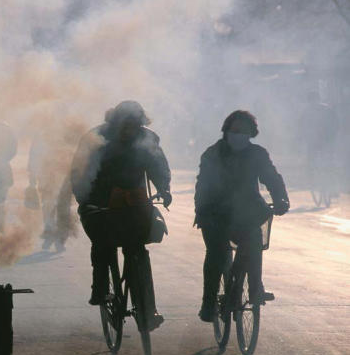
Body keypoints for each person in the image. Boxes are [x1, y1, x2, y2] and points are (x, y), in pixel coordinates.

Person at [71, 100, 171, 331]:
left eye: (135, 125)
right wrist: (84, 198)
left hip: (134, 203)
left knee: (139, 252)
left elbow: (158, 166)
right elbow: (79, 171)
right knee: (102, 242)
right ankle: (100, 290)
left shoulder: (148, 139)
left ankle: (148, 311)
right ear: (115, 122)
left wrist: (164, 189)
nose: (130, 130)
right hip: (99, 202)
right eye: (126, 125)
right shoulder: (95, 138)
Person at [195, 110, 289, 322]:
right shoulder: (213, 154)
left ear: (251, 134)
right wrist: (201, 212)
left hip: (247, 213)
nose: (239, 135)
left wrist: (281, 199)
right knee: (216, 255)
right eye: (235, 130)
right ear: (226, 131)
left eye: (244, 131)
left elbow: (272, 178)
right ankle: (208, 302)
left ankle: (256, 289)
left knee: (255, 244)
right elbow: (202, 186)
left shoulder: (258, 154)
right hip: (215, 215)